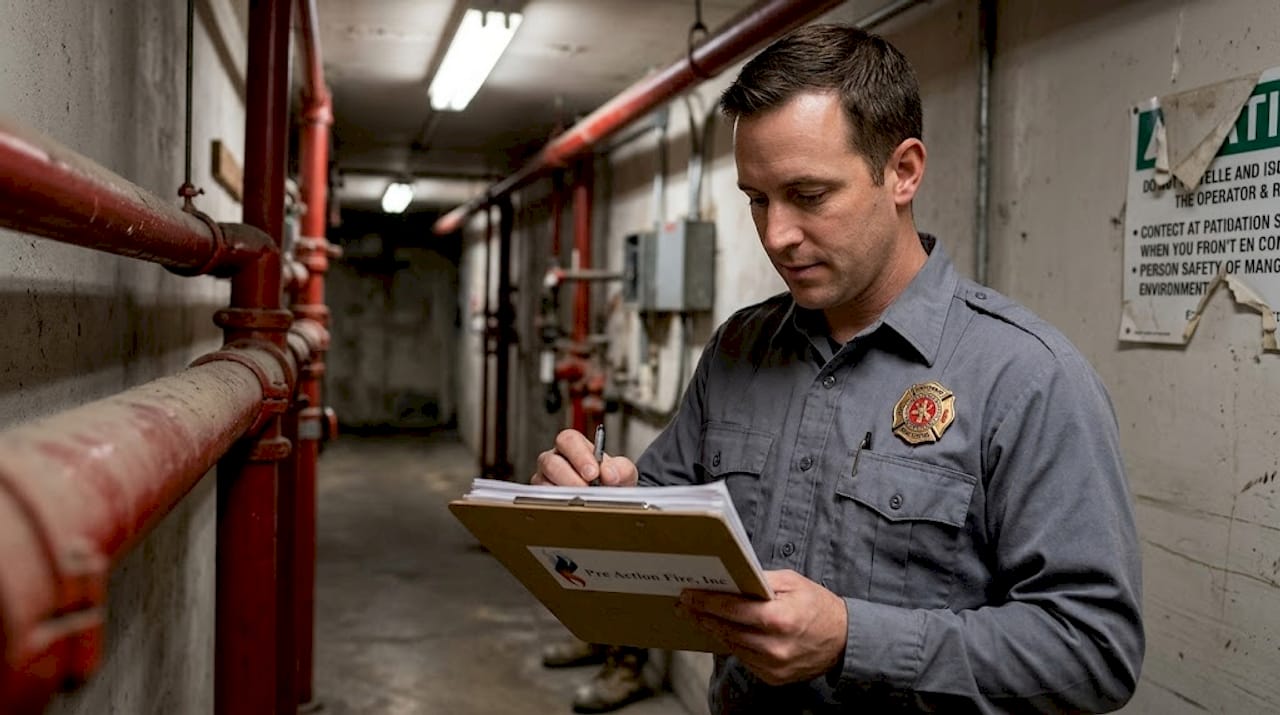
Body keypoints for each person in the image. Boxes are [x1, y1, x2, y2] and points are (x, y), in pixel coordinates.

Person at [533, 23, 1144, 714]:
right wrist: (595, 503)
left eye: (809, 195)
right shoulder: (740, 349)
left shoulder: (1028, 379)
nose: (776, 235)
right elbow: (661, 524)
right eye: (757, 199)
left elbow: (1095, 650)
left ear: (904, 171)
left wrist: (855, 637)